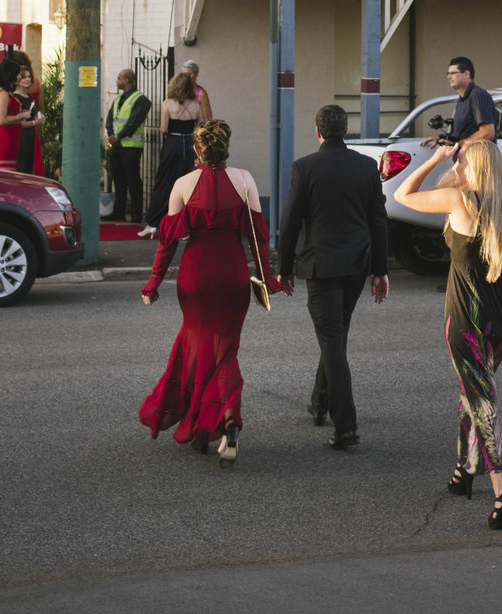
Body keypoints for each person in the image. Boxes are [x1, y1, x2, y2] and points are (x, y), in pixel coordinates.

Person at [392, 130, 502, 531]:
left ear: (475, 167)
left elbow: (404, 195)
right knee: (470, 391)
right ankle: (463, 470)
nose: (458, 164)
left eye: (463, 160)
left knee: (482, 402)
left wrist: (437, 159)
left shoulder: (458, 200)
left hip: (466, 321)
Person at [139, 121, 285, 464]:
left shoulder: (182, 185)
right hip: (233, 274)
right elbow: (258, 237)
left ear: (196, 151)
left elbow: (168, 243)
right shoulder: (245, 180)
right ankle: (227, 417)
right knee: (224, 349)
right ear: (227, 148)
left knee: (197, 344)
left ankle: (209, 420)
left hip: (196, 276)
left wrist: (153, 284)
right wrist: (268, 278)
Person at [276, 103, 391, 451]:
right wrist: (380, 270)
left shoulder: (305, 167)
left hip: (321, 266)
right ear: (346, 131)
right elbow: (378, 221)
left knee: (331, 341)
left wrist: (283, 269)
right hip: (357, 265)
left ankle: (347, 426)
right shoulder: (366, 167)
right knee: (335, 338)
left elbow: (290, 222)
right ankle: (319, 403)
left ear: (318, 131)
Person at [105, 68, 151, 226]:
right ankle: (119, 212)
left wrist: (118, 137)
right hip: (117, 146)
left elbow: (133, 122)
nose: (116, 81)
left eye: (119, 78)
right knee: (118, 180)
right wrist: (111, 134)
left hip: (131, 146)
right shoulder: (118, 99)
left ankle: (136, 214)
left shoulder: (141, 100)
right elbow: (110, 118)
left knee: (133, 180)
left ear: (127, 80)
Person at [151, 72, 200, 214]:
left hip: (173, 142)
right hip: (190, 143)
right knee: (188, 180)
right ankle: (184, 215)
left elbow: (163, 128)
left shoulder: (168, 104)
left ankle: (158, 217)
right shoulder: (196, 105)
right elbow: (200, 125)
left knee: (165, 181)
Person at [0, 55, 42, 175]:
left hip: (13, 137)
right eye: (17, 74)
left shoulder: (5, 92)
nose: (20, 76)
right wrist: (20, 116)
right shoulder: (4, 94)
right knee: (10, 175)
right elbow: (1, 120)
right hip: (8, 138)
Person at [443, 54, 499, 152]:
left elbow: (487, 132)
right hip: (465, 163)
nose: (448, 77)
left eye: (452, 73)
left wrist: (460, 144)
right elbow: (461, 134)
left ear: (466, 74)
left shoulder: (477, 95)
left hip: (478, 162)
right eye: (448, 73)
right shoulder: (462, 98)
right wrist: (441, 139)